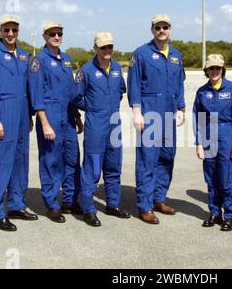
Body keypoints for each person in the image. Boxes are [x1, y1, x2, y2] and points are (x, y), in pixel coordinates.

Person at [0, 15, 38, 232]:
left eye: (14, 30)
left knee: (21, 161)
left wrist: (30, 116)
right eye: (7, 30)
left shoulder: (24, 56)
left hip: (22, 114)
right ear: (1, 31)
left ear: (18, 31)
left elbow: (29, 89)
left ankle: (16, 205)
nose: (11, 34)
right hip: (3, 112)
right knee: (1, 163)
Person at [127, 14, 186, 224]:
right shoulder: (141, 54)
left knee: (166, 157)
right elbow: (133, 83)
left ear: (170, 30)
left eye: (165, 27)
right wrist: (136, 111)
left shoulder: (176, 56)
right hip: (150, 113)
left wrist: (181, 107)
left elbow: (180, 83)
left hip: (170, 114)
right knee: (147, 160)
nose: (162, 31)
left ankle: (159, 199)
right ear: (152, 30)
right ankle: (144, 205)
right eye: (158, 27)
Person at [74, 32, 131, 227]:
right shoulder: (86, 70)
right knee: (92, 167)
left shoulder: (116, 68)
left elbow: (121, 91)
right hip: (96, 124)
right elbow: (76, 97)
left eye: (110, 47)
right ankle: (88, 208)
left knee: (114, 166)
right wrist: (92, 107)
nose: (107, 50)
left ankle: (113, 205)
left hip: (114, 123)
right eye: (103, 47)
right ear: (95, 49)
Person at [29, 22, 82, 223]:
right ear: (44, 36)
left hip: (67, 116)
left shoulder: (67, 59)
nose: (57, 36)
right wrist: (44, 123)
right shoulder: (39, 61)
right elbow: (36, 95)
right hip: (49, 115)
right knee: (51, 161)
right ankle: (52, 204)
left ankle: (69, 200)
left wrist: (76, 116)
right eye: (52, 33)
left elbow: (70, 92)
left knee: (71, 159)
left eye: (59, 33)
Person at [193, 54, 232, 232]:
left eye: (217, 68)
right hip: (208, 135)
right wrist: (199, 143)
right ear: (206, 70)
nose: (214, 71)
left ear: (222, 69)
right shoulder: (202, 92)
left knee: (228, 177)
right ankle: (215, 213)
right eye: (211, 68)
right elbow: (198, 118)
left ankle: (229, 215)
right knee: (211, 177)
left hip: (226, 134)